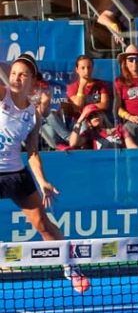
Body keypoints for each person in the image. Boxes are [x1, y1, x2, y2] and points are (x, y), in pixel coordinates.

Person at [0, 54, 90, 293]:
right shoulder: (2, 96)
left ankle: (70, 268)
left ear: (33, 81)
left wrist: (42, 181)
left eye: (23, 75)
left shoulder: (33, 115)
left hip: (15, 174)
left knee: (43, 224)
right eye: (13, 73)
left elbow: (31, 153)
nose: (16, 78)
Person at [69, 104, 138, 150]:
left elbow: (131, 147)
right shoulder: (90, 134)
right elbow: (73, 143)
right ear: (88, 122)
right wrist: (80, 120)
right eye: (90, 117)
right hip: (101, 166)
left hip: (119, 164)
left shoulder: (120, 129)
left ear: (102, 115)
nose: (94, 117)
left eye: (96, 114)